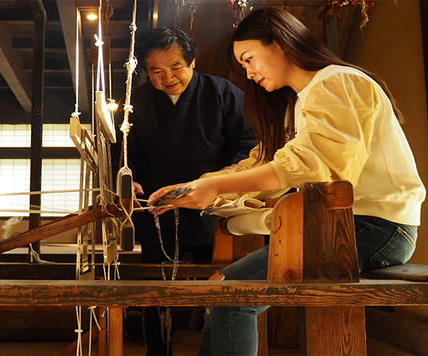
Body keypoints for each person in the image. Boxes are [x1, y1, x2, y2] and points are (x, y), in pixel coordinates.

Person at [147, 7, 426, 355]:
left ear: (280, 43)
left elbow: (313, 164)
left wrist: (216, 188)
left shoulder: (338, 81)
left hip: (377, 227)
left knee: (231, 292)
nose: (249, 74)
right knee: (223, 288)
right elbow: (264, 162)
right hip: (345, 226)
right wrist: (196, 187)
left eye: (250, 59)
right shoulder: (300, 102)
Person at [112, 27, 256, 355]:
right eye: (156, 71)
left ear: (192, 60)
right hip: (157, 207)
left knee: (218, 284)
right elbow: (123, 151)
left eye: (176, 67)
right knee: (158, 290)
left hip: (212, 206)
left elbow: (248, 143)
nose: (168, 78)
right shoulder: (136, 101)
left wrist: (228, 175)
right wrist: (128, 178)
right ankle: (158, 350)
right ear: (146, 72)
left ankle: (213, 347)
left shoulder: (223, 93)